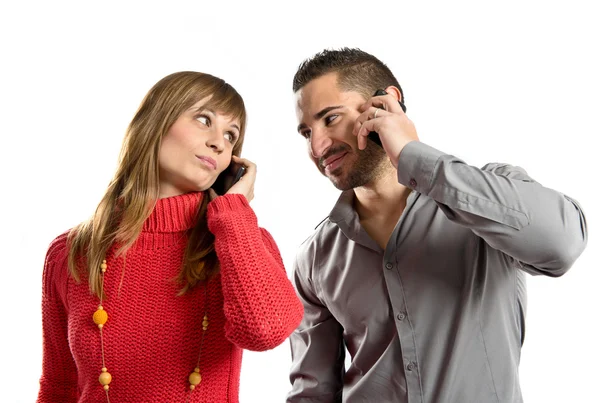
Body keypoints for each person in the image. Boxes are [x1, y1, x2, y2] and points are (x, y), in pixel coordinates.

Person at [287, 48, 587, 403]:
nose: (318, 146)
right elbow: (313, 393)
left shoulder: (488, 198)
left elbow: (563, 244)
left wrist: (412, 154)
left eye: (331, 119)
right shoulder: (315, 256)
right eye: (306, 132)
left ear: (385, 103)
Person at [37, 71, 303, 403]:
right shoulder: (71, 252)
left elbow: (267, 331)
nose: (219, 142)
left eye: (231, 135)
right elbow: (59, 387)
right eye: (204, 119)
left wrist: (234, 212)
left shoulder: (240, 242)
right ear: (156, 122)